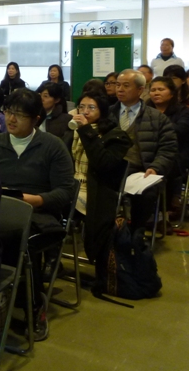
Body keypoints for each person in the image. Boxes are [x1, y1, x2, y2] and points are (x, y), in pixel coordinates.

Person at [0, 89, 74, 342]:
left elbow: (65, 192)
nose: (11, 119)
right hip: (0, 210)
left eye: (20, 115)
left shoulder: (51, 146)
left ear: (36, 119)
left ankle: (33, 305)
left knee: (16, 239)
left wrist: (34, 200)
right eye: (8, 112)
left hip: (39, 214)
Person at [63, 91, 132, 264]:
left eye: (91, 107)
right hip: (71, 185)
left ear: (102, 110)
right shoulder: (72, 131)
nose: (85, 111)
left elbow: (103, 163)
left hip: (97, 189)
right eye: (81, 107)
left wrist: (86, 130)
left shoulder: (115, 136)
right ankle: (51, 258)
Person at [109, 69, 178, 231]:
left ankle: (136, 232)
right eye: (118, 85)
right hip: (110, 169)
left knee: (146, 195)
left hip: (141, 171)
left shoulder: (157, 118)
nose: (120, 89)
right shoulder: (107, 114)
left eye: (126, 86)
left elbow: (168, 148)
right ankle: (109, 233)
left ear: (140, 90)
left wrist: (156, 167)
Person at [146, 77, 189, 217]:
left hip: (176, 154)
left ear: (171, 93)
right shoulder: (144, 110)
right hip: (148, 152)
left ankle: (166, 208)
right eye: (153, 90)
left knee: (166, 164)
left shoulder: (183, 111)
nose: (156, 93)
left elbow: (179, 131)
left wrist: (155, 128)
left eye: (161, 89)